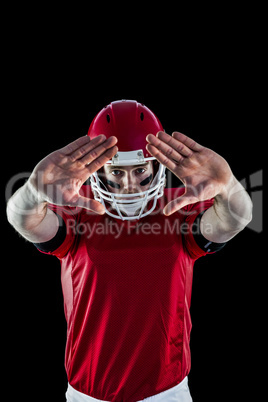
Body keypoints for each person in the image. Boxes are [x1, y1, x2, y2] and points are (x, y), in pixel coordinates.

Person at [6, 100, 252, 402]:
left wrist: (228, 186)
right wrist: (32, 192)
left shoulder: (179, 207)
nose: (129, 186)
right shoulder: (79, 207)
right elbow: (25, 221)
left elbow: (235, 220)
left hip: (166, 390)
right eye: (117, 173)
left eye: (140, 171)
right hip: (88, 391)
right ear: (97, 170)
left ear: (156, 166)